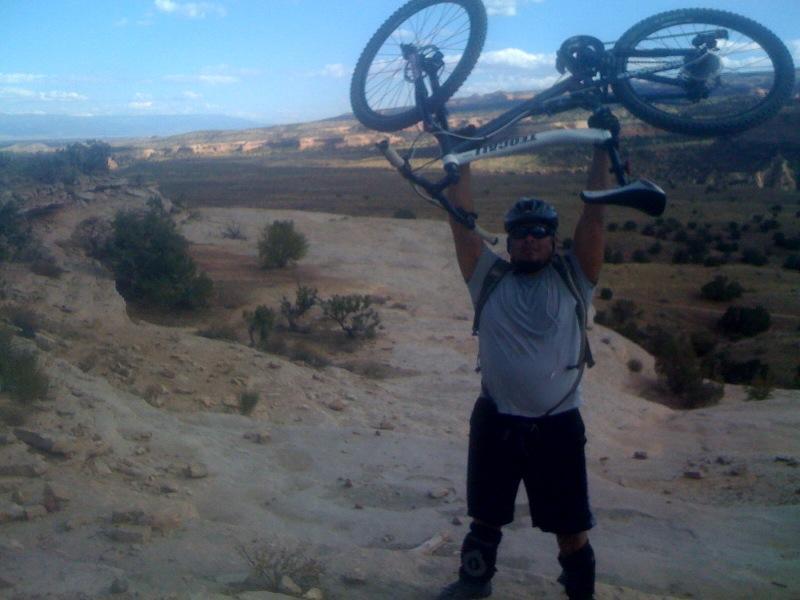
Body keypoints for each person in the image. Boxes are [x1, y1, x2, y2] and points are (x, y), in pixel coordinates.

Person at [437, 115, 616, 600]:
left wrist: (603, 149)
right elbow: (461, 223)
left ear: (554, 238)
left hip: (557, 424)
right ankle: (474, 585)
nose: (530, 239)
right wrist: (462, 160)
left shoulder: (575, 277)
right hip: (497, 419)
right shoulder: (487, 277)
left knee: (571, 526)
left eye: (540, 231)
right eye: (520, 233)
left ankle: (580, 595)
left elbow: (594, 218)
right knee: (486, 514)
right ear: (510, 240)